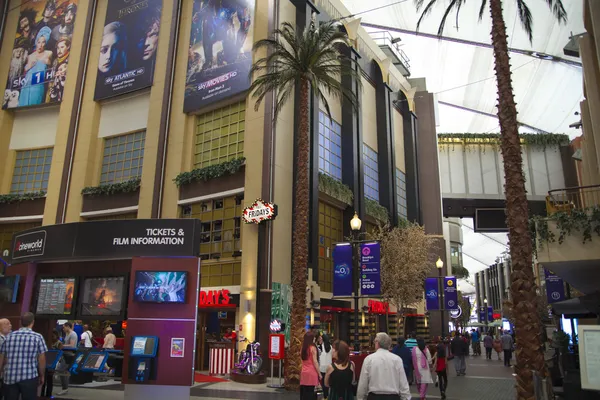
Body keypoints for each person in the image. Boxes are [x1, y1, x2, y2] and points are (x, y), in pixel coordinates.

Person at [0, 312, 47, 400]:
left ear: (21, 322)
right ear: (32, 322)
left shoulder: (8, 337)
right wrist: (42, 375)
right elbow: (41, 359)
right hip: (29, 377)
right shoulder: (37, 337)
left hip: (9, 377)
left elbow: (2, 357)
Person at [356, 332, 411, 400]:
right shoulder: (397, 360)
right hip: (393, 397)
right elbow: (403, 383)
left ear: (377, 343)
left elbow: (363, 383)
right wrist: (406, 397)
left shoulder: (369, 359)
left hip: (374, 397)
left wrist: (360, 398)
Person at [18, 27, 53, 107]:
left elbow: (51, 68)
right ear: (36, 42)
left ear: (46, 43)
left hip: (38, 85)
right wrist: (28, 67)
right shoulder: (29, 56)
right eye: (39, 42)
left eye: (43, 42)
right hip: (26, 85)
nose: (40, 45)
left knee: (35, 104)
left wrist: (48, 63)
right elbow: (23, 72)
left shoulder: (48, 53)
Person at [57, 322, 78, 396]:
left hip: (70, 355)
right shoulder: (67, 334)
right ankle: (65, 388)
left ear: (68, 327)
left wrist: (62, 346)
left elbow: (72, 345)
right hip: (65, 354)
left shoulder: (73, 334)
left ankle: (65, 388)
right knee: (63, 371)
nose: (63, 329)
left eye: (64, 327)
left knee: (61, 370)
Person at [41, 330, 62, 398]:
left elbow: (59, 352)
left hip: (53, 363)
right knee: (44, 380)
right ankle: (42, 394)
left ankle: (48, 395)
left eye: (53, 336)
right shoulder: (46, 342)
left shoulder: (59, 343)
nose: (52, 337)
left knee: (49, 380)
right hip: (46, 362)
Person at [300, 332, 320, 400]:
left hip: (304, 372)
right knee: (311, 392)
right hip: (312, 372)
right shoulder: (313, 348)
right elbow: (315, 362)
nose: (314, 338)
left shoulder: (303, 348)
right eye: (313, 337)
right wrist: (319, 374)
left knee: (305, 391)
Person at [318, 334, 332, 399]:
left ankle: (325, 396)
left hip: (322, 367)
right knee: (328, 382)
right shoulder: (331, 347)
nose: (319, 339)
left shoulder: (319, 347)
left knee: (323, 382)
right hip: (329, 367)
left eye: (320, 338)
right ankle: (329, 395)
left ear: (323, 339)